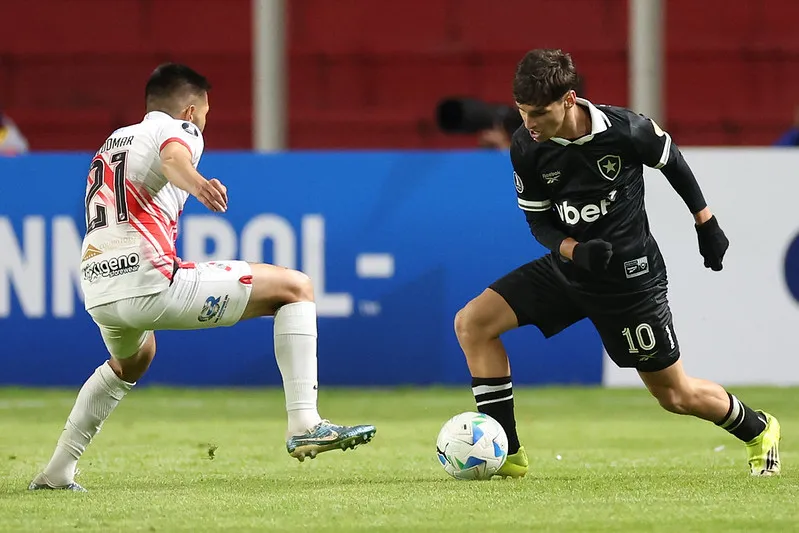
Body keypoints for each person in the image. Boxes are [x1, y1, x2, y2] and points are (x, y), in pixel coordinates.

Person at [29, 64, 376, 492]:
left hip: (98, 286)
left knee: (133, 359)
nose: (205, 122)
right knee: (295, 288)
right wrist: (197, 184)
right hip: (149, 281)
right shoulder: (181, 130)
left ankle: (58, 471)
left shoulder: (111, 142)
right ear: (190, 111)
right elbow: (173, 157)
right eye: (206, 112)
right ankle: (305, 422)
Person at [454, 49, 781, 478]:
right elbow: (538, 221)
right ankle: (508, 454)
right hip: (570, 268)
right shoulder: (526, 145)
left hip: (631, 281)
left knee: (674, 395)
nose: (528, 123)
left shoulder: (626, 130)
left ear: (569, 101)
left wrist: (706, 223)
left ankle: (759, 428)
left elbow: (673, 162)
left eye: (538, 113)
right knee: (473, 323)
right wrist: (574, 250)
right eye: (522, 112)